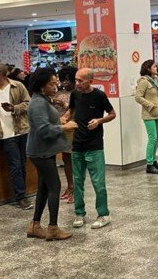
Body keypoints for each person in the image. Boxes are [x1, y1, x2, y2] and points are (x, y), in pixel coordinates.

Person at [63, 68, 116, 229]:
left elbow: (112, 113)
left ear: (90, 81)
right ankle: (79, 214)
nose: (77, 83)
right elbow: (71, 110)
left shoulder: (99, 96)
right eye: (76, 80)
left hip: (94, 146)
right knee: (77, 182)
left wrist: (99, 121)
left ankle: (103, 214)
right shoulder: (75, 94)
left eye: (80, 80)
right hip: (77, 145)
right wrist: (65, 117)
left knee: (98, 182)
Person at [25, 68, 72, 241]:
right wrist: (64, 127)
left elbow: (44, 122)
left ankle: (35, 225)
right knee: (55, 186)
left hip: (45, 150)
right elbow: (44, 130)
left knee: (44, 187)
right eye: (52, 83)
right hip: (40, 151)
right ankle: (52, 228)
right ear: (42, 85)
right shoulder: (37, 103)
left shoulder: (43, 100)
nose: (56, 86)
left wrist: (58, 120)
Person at [0, 63, 32, 209]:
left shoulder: (17, 86)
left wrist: (14, 108)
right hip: (4, 133)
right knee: (15, 165)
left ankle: (22, 193)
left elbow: (29, 104)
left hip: (21, 129)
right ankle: (21, 197)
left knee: (22, 164)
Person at [134, 59, 158, 174]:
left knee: (156, 138)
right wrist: (150, 105)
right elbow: (138, 97)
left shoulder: (154, 81)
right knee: (152, 138)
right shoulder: (144, 81)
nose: (156, 68)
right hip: (149, 114)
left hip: (157, 113)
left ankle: (153, 161)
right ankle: (149, 164)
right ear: (148, 69)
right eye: (154, 67)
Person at [53, 66, 77, 202]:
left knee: (75, 160)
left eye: (68, 80)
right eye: (63, 80)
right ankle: (70, 186)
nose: (65, 83)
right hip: (61, 129)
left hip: (74, 129)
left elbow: (75, 110)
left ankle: (75, 189)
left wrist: (63, 106)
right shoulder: (57, 93)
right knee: (66, 159)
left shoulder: (78, 93)